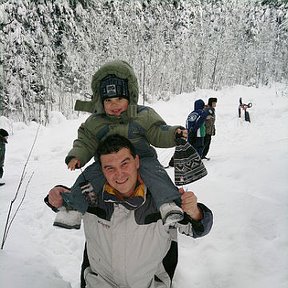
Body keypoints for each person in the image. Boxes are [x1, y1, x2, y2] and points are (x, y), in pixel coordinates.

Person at [46, 134, 213, 288]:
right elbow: (68, 203)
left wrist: (195, 212)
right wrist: (56, 195)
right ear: (102, 171)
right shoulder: (92, 199)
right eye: (110, 168)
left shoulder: (163, 203)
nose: (119, 174)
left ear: (137, 161)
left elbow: (199, 228)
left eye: (124, 164)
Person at [56, 60, 188, 228]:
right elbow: (86, 140)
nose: (114, 104)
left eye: (119, 98)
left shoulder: (143, 115)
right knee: (89, 177)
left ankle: (168, 204)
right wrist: (77, 155)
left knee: (156, 174)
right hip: (108, 163)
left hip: (143, 158)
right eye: (109, 100)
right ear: (100, 102)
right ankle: (73, 209)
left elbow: (157, 132)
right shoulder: (96, 122)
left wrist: (173, 134)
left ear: (130, 97)